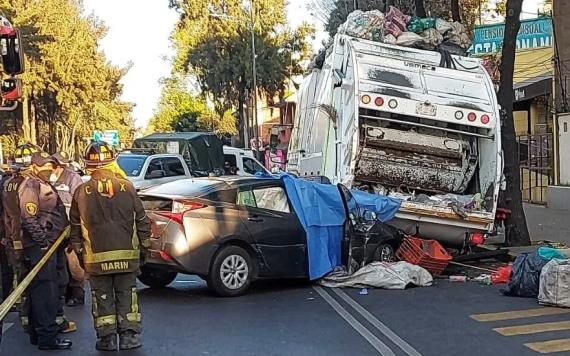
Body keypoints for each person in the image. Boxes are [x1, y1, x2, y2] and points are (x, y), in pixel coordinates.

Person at [70, 141, 150, 351]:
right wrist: (145, 248)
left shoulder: (81, 191)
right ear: (113, 161)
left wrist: (80, 254)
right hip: (127, 256)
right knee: (127, 294)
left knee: (102, 297)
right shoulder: (128, 187)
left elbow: (75, 228)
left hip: (96, 259)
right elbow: (142, 221)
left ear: (87, 164)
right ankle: (129, 337)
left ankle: (107, 339)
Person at [2, 150, 72, 350]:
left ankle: (39, 333)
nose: (48, 169)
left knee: (39, 291)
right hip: (39, 248)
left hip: (43, 246)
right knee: (45, 292)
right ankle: (47, 337)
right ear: (34, 166)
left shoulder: (41, 183)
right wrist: (43, 242)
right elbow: (28, 218)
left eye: (50, 165)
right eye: (44, 166)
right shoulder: (31, 186)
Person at [50, 152, 85, 307]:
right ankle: (62, 293)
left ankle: (77, 293)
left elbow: (80, 204)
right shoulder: (46, 180)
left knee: (74, 263)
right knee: (59, 264)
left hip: (71, 227)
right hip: (54, 229)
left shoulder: (72, 178)